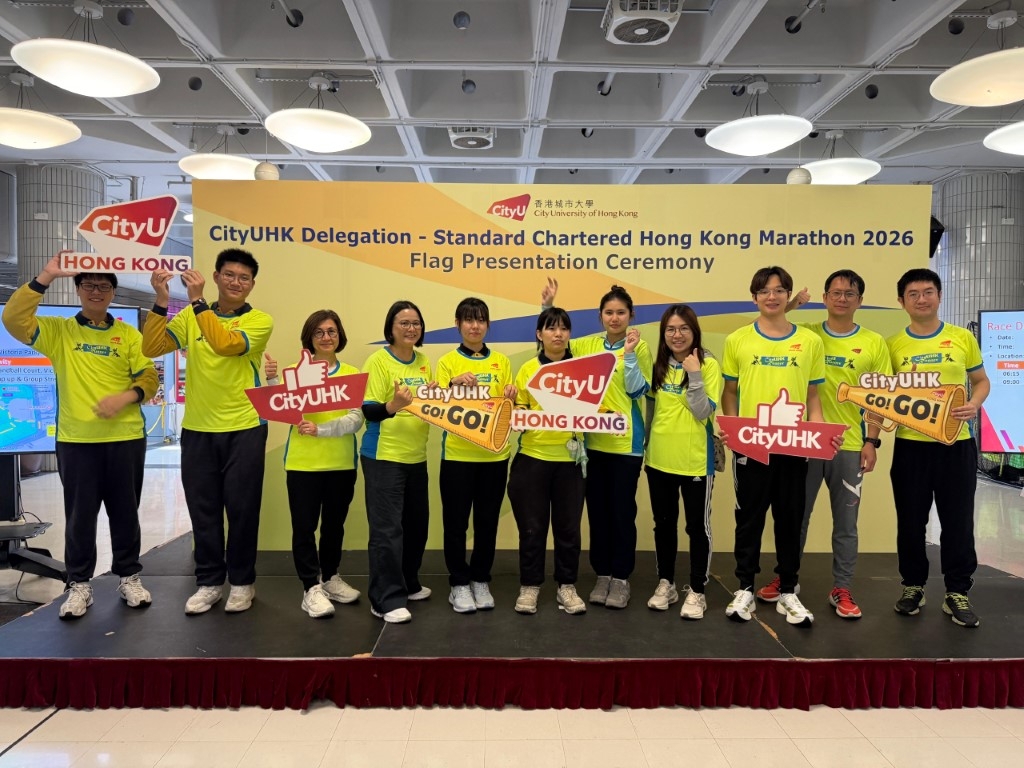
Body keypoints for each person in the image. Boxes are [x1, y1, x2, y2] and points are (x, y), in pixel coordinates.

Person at [2, 253, 158, 619]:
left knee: (125, 513)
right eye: (89, 285)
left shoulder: (129, 335)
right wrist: (46, 275)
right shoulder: (59, 332)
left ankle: (129, 577)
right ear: (78, 289)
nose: (96, 291)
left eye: (104, 286)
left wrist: (126, 397)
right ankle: (79, 584)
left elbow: (149, 378)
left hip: (125, 439)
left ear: (113, 292)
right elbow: (13, 319)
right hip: (77, 442)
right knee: (80, 517)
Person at [144, 249, 273, 615]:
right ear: (216, 277)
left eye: (244, 278)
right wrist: (161, 301)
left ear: (252, 284)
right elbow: (152, 346)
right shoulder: (189, 315)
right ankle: (209, 583)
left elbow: (226, 345)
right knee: (204, 510)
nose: (236, 282)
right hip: (199, 428)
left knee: (242, 510)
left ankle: (243, 583)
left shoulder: (259, 320)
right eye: (229, 275)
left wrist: (198, 302)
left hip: (245, 426)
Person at [761, 270, 891, 619]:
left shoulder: (874, 343)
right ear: (825, 297)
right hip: (805, 442)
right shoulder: (808, 334)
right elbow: (771, 320)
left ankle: (842, 588)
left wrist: (871, 441)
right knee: (795, 518)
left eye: (849, 294)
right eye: (835, 292)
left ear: (859, 300)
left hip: (849, 445)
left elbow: (878, 399)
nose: (842, 299)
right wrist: (792, 303)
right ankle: (787, 580)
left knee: (846, 523)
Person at [720, 265, 827, 627]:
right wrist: (735, 432)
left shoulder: (809, 342)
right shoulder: (738, 339)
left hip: (794, 446)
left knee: (790, 518)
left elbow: (813, 397)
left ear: (787, 295)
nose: (772, 296)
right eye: (764, 291)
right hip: (752, 447)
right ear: (754, 297)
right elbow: (730, 392)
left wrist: (818, 433)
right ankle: (745, 588)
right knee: (749, 519)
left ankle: (788, 591)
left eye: (779, 290)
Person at [887, 268, 989, 628]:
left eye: (928, 292)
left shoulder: (961, 338)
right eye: (913, 294)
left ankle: (957, 591)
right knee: (910, 522)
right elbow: (884, 394)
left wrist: (974, 404)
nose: (921, 299)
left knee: (958, 521)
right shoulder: (893, 345)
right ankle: (913, 586)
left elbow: (981, 380)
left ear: (939, 296)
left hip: (956, 445)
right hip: (910, 447)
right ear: (901, 302)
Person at [541, 279, 652, 609]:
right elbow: (555, 349)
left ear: (631, 315)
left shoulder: (639, 347)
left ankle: (621, 578)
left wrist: (628, 355)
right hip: (591, 446)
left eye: (621, 312)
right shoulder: (588, 345)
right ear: (600, 315)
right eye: (609, 312)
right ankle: (603, 574)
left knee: (621, 513)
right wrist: (547, 308)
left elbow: (636, 390)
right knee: (598, 514)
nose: (615, 318)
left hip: (625, 445)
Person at [265, 310, 364, 619]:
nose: (326, 337)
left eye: (331, 331)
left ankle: (330, 577)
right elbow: (278, 407)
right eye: (319, 332)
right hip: (303, 465)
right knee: (304, 527)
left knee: (334, 526)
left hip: (341, 464)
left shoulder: (350, 373)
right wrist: (271, 379)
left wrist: (321, 429)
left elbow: (356, 419)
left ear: (339, 336)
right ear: (309, 337)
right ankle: (311, 587)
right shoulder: (294, 373)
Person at [436, 298, 516, 613]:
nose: (475, 326)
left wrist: (511, 397)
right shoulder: (447, 362)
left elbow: (508, 409)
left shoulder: (501, 362)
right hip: (457, 456)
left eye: (480, 320)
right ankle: (458, 583)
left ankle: (481, 578)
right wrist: (452, 384)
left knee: (486, 522)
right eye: (468, 320)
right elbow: (436, 406)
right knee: (456, 523)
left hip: (494, 457)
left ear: (487, 325)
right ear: (457, 324)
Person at [644, 305, 722, 620]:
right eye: (671, 329)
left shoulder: (708, 364)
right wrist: (644, 447)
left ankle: (697, 590)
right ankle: (666, 583)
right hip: (659, 460)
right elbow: (651, 412)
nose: (677, 335)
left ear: (694, 331)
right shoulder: (658, 366)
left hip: (695, 462)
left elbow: (703, 411)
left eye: (684, 328)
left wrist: (695, 374)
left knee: (697, 528)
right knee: (663, 525)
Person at [508, 307, 587, 616]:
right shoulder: (528, 369)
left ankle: (567, 586)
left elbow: (596, 409)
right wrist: (515, 412)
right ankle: (530, 585)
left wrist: (611, 419)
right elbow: (520, 410)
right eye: (551, 328)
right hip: (533, 459)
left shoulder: (582, 369)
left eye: (563, 328)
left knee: (569, 529)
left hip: (570, 462)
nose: (558, 334)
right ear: (539, 335)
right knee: (532, 528)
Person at [360, 301, 432, 624]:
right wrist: (393, 405)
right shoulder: (378, 361)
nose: (410, 328)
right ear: (391, 327)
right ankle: (385, 599)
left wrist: (441, 394)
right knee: (387, 530)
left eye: (415, 323)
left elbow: (427, 404)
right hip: (384, 456)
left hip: (416, 455)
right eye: (404, 323)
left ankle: (408, 582)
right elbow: (369, 410)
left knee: (416, 526)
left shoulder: (423, 361)